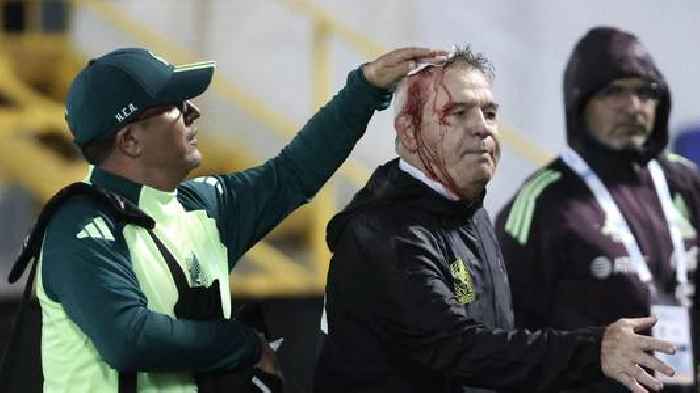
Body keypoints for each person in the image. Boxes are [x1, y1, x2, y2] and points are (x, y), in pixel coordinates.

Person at [10, 46, 445, 392]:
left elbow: (293, 173)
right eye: (174, 104)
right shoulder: (79, 227)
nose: (193, 111)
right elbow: (128, 339)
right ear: (130, 140)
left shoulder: (202, 206)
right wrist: (244, 345)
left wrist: (365, 88)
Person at [314, 45, 678, 393]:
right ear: (409, 133)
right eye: (458, 113)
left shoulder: (463, 207)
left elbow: (499, 343)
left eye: (489, 113)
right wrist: (594, 350)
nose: (481, 128)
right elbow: (461, 347)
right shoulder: (384, 234)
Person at [495, 26, 699, 393]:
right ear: (579, 103)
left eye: (644, 92)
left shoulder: (685, 182)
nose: (633, 106)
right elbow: (506, 340)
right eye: (613, 92)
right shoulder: (541, 203)